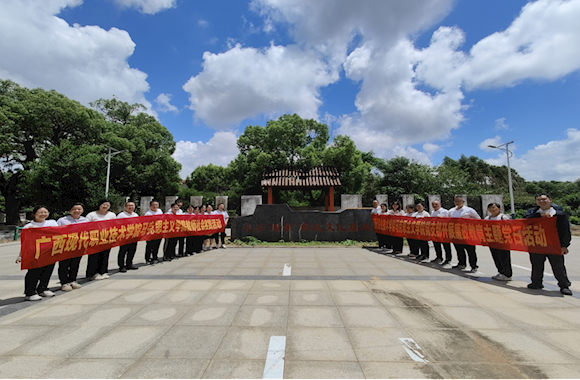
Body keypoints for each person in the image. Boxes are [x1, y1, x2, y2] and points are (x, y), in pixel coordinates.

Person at [525, 193, 572, 295]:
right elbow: (524, 222)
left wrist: (564, 245)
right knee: (536, 265)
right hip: (537, 243)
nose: (541, 201)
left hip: (554, 244)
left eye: (544, 199)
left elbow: (565, 231)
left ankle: (564, 285)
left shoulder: (559, 214)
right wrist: (539, 216)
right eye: (539, 200)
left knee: (558, 266)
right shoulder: (532, 213)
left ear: (550, 199)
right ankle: (536, 283)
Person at [16, 206, 59, 301]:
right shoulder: (28, 226)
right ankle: (29, 292)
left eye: (45, 212)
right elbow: (25, 243)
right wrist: (21, 255)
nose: (43, 214)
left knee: (47, 271)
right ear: (34, 214)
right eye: (40, 212)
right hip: (35, 254)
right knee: (34, 272)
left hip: (50, 252)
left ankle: (43, 289)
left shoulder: (52, 222)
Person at [56, 203, 88, 291]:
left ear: (82, 211)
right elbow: (55, 232)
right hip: (65, 246)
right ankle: (64, 282)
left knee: (75, 264)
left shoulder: (85, 220)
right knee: (64, 264)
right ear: (70, 210)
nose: (77, 211)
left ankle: (72, 280)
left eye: (79, 209)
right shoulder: (62, 220)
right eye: (74, 209)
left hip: (78, 246)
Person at [448, 195, 481, 272]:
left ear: (463, 202)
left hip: (468, 233)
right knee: (459, 249)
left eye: (459, 201)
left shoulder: (469, 210)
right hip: (456, 233)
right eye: (456, 201)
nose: (457, 202)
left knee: (470, 250)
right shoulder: (452, 211)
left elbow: (478, 219)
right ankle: (461, 264)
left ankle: (473, 266)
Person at [86, 199, 116, 280]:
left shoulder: (112, 215)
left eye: (107, 205)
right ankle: (92, 273)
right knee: (94, 256)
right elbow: (85, 226)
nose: (105, 206)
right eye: (104, 204)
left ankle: (103, 271)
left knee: (105, 255)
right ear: (99, 205)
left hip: (107, 239)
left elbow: (115, 225)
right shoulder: (91, 215)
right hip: (94, 239)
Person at [485, 203, 512, 281]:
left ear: (499, 209)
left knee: (504, 257)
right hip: (492, 241)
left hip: (503, 241)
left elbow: (509, 227)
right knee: (496, 257)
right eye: (490, 208)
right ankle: (501, 272)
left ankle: (507, 274)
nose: (492, 209)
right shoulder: (487, 218)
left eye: (494, 207)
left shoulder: (503, 217)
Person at [117, 201, 139, 272]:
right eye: (129, 206)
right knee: (123, 251)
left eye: (132, 206)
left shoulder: (135, 215)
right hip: (124, 236)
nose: (131, 207)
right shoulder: (121, 215)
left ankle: (129, 264)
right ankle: (121, 266)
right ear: (125, 207)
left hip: (133, 236)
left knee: (132, 250)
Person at [430, 200, 452, 265]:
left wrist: (442, 218)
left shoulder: (445, 211)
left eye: (436, 204)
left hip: (444, 231)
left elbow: (450, 220)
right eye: (433, 204)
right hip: (435, 231)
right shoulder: (433, 212)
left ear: (440, 204)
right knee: (436, 245)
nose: (434, 205)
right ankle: (439, 257)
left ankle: (448, 259)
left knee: (446, 246)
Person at [144, 200, 163, 264]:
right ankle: (148, 258)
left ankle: (155, 257)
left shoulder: (160, 211)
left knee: (156, 245)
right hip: (150, 233)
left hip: (158, 232)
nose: (155, 206)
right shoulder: (148, 213)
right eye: (153, 205)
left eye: (156, 205)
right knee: (149, 246)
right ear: (150, 206)